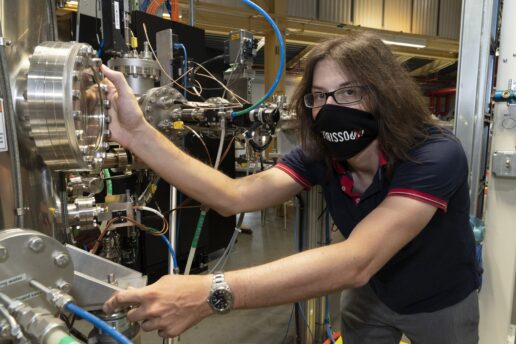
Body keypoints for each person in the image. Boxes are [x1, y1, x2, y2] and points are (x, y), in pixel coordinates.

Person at [101, 30, 480, 343]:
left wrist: (209, 292)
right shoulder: (323, 153)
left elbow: (357, 261)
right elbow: (234, 197)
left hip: (439, 300)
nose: (329, 108)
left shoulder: (433, 154)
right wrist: (139, 135)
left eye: (349, 92)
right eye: (319, 96)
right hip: (374, 292)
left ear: (386, 93)